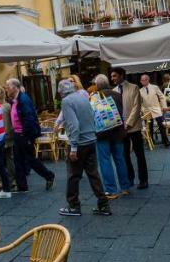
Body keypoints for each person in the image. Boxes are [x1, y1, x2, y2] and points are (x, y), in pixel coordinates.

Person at [57, 78, 110, 217]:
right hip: (91, 140)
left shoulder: (67, 101)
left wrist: (73, 147)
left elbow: (74, 125)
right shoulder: (83, 98)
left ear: (61, 91)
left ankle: (74, 206)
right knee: (93, 174)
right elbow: (91, 117)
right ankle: (103, 205)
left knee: (73, 176)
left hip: (79, 143)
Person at [5, 78, 55, 192]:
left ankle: (49, 175)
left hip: (24, 134)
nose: (6, 89)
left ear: (14, 88)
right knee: (19, 160)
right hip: (18, 134)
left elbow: (29, 118)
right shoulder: (15, 100)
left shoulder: (23, 100)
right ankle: (22, 186)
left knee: (29, 159)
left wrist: (25, 134)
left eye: (8, 87)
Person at [91, 74, 130, 198]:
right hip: (118, 132)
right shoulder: (118, 95)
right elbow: (124, 114)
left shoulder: (94, 97)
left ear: (97, 85)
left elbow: (91, 115)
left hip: (102, 133)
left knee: (105, 160)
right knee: (120, 159)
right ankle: (125, 187)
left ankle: (111, 189)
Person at [115, 68, 149, 190]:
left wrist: (128, 123)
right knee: (125, 155)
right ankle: (130, 178)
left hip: (134, 127)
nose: (112, 78)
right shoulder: (114, 91)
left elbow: (136, 107)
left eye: (114, 76)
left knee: (139, 154)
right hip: (121, 129)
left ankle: (143, 180)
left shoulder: (133, 87)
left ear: (121, 76)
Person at [137, 73, 168, 147]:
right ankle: (151, 142)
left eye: (144, 80)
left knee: (161, 125)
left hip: (156, 109)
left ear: (148, 80)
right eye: (141, 80)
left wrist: (164, 106)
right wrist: (142, 109)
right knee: (149, 127)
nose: (143, 82)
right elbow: (139, 102)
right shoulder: (140, 90)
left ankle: (165, 141)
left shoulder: (155, 87)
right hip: (146, 110)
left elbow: (162, 97)